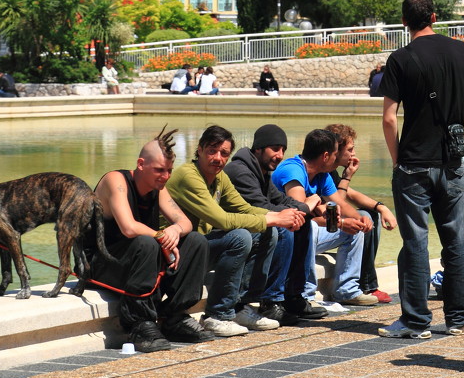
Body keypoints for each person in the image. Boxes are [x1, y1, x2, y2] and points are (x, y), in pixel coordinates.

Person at [378, 0, 464, 339]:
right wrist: (457, 118)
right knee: (454, 241)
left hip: (413, 163)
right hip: (452, 161)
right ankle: (459, 318)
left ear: (404, 22)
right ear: (435, 17)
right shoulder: (461, 51)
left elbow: (388, 119)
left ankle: (415, 321)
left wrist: (397, 160)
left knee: (415, 244)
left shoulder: (400, 58)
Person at [168, 125, 304, 336]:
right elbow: (220, 219)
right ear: (200, 150)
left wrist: (279, 218)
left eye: (224, 154)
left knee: (268, 232)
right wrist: (275, 217)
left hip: (199, 246)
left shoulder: (220, 177)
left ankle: (241, 306)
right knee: (239, 237)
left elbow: (245, 208)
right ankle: (217, 314)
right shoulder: (189, 175)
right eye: (212, 151)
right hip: (175, 250)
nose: (218, 158)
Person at [90, 127, 214, 352]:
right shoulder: (115, 181)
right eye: (159, 170)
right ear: (140, 164)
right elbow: (129, 228)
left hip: (139, 259)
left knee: (196, 241)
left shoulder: (159, 187)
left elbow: (184, 222)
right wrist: (161, 237)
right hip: (102, 262)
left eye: (169, 170)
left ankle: (174, 316)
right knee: (147, 242)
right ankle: (138, 323)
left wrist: (174, 232)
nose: (165, 176)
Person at [224, 124, 319, 325]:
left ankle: (292, 295)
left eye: (283, 149)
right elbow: (262, 206)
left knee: (302, 224)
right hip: (232, 230)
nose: (280, 154)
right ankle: (270, 301)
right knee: (283, 231)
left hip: (253, 224)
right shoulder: (239, 171)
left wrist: (307, 208)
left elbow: (281, 200)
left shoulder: (261, 171)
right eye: (275, 148)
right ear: (259, 148)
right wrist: (303, 209)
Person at [273, 128, 371, 308]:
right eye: (335, 154)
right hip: (286, 237)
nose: (338, 158)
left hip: (309, 235)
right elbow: (299, 215)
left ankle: (347, 290)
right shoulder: (293, 170)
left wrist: (360, 219)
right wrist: (340, 223)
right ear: (326, 156)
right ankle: (305, 294)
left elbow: (340, 204)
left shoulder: (322, 174)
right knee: (309, 228)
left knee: (356, 229)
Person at [324, 123, 397, 303]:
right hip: (321, 226)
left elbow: (350, 193)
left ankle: (367, 284)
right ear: (336, 150)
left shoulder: (331, 171)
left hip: (330, 223)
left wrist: (381, 207)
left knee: (368, 214)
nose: (354, 154)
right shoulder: (323, 170)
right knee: (363, 219)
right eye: (350, 149)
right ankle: (364, 285)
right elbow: (337, 207)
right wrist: (347, 176)